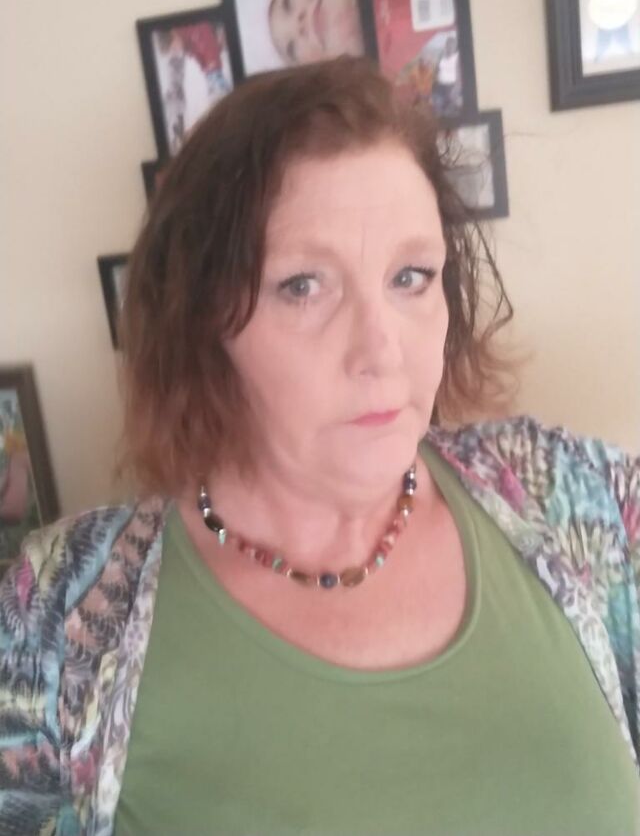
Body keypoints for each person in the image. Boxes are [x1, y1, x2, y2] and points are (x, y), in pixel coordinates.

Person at [0, 56, 639, 835]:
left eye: (411, 276)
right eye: (304, 285)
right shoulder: (54, 618)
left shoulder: (582, 500)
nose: (382, 350)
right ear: (200, 322)